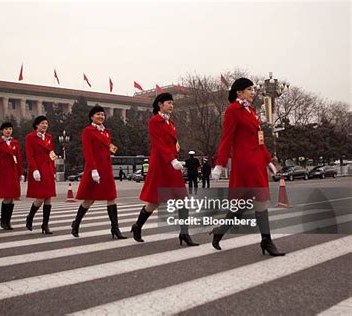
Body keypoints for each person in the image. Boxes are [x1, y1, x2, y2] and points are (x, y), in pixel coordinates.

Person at [210, 78, 285, 256]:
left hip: (257, 163)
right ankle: (265, 240)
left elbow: (260, 140)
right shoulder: (233, 111)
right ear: (239, 92)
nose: (253, 92)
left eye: (253, 89)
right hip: (244, 164)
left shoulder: (252, 111)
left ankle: (223, 232)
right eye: (249, 89)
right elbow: (226, 139)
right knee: (253, 202)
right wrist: (219, 165)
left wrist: (268, 161)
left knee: (246, 205)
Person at [132, 93, 199, 246]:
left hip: (172, 163)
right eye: (169, 103)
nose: (172, 106)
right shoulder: (154, 121)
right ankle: (137, 226)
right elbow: (158, 144)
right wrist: (172, 159)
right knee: (154, 202)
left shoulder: (171, 122)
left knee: (183, 200)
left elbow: (170, 141)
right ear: (160, 105)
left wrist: (176, 149)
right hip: (162, 164)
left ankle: (184, 233)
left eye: (172, 103)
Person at [71, 105, 126, 239]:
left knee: (111, 197)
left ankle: (115, 228)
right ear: (91, 117)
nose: (101, 117)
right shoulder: (88, 131)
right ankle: (76, 223)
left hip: (106, 168)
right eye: (98, 114)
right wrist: (93, 169)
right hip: (94, 168)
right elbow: (88, 152)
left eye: (102, 114)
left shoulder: (105, 131)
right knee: (89, 199)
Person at [25, 116, 57, 234]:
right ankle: (30, 217)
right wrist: (34, 170)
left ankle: (45, 224)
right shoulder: (30, 137)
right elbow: (30, 155)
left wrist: (54, 169)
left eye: (46, 123)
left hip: (48, 169)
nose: (45, 125)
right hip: (38, 169)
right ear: (37, 125)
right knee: (41, 197)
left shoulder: (49, 137)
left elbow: (51, 153)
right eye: (43, 123)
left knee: (48, 197)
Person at [0, 122, 24, 230]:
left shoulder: (15, 142)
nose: (8, 131)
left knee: (12, 197)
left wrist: (21, 173)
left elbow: (19, 159)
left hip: (13, 172)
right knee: (6, 197)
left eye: (10, 128)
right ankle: (3, 220)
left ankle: (8, 221)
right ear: (2, 131)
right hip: (3, 173)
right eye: (6, 129)